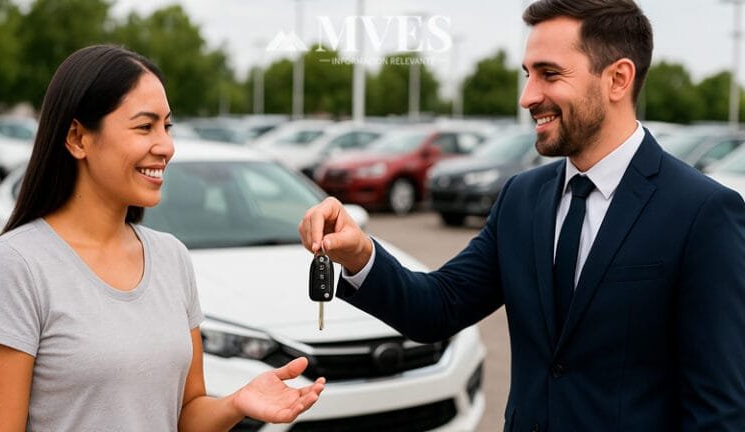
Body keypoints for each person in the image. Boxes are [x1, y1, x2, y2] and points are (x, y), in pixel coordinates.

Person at [299, 1, 745, 431]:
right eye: (528, 75)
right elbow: (439, 306)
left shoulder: (703, 213)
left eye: (549, 74)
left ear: (617, 79)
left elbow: (720, 409)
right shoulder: (521, 197)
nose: (527, 97)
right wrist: (360, 255)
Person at [0, 45, 325, 431]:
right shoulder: (16, 265)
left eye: (167, 126)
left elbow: (187, 413)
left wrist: (235, 403)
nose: (166, 146)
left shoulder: (171, 257)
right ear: (77, 138)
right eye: (145, 126)